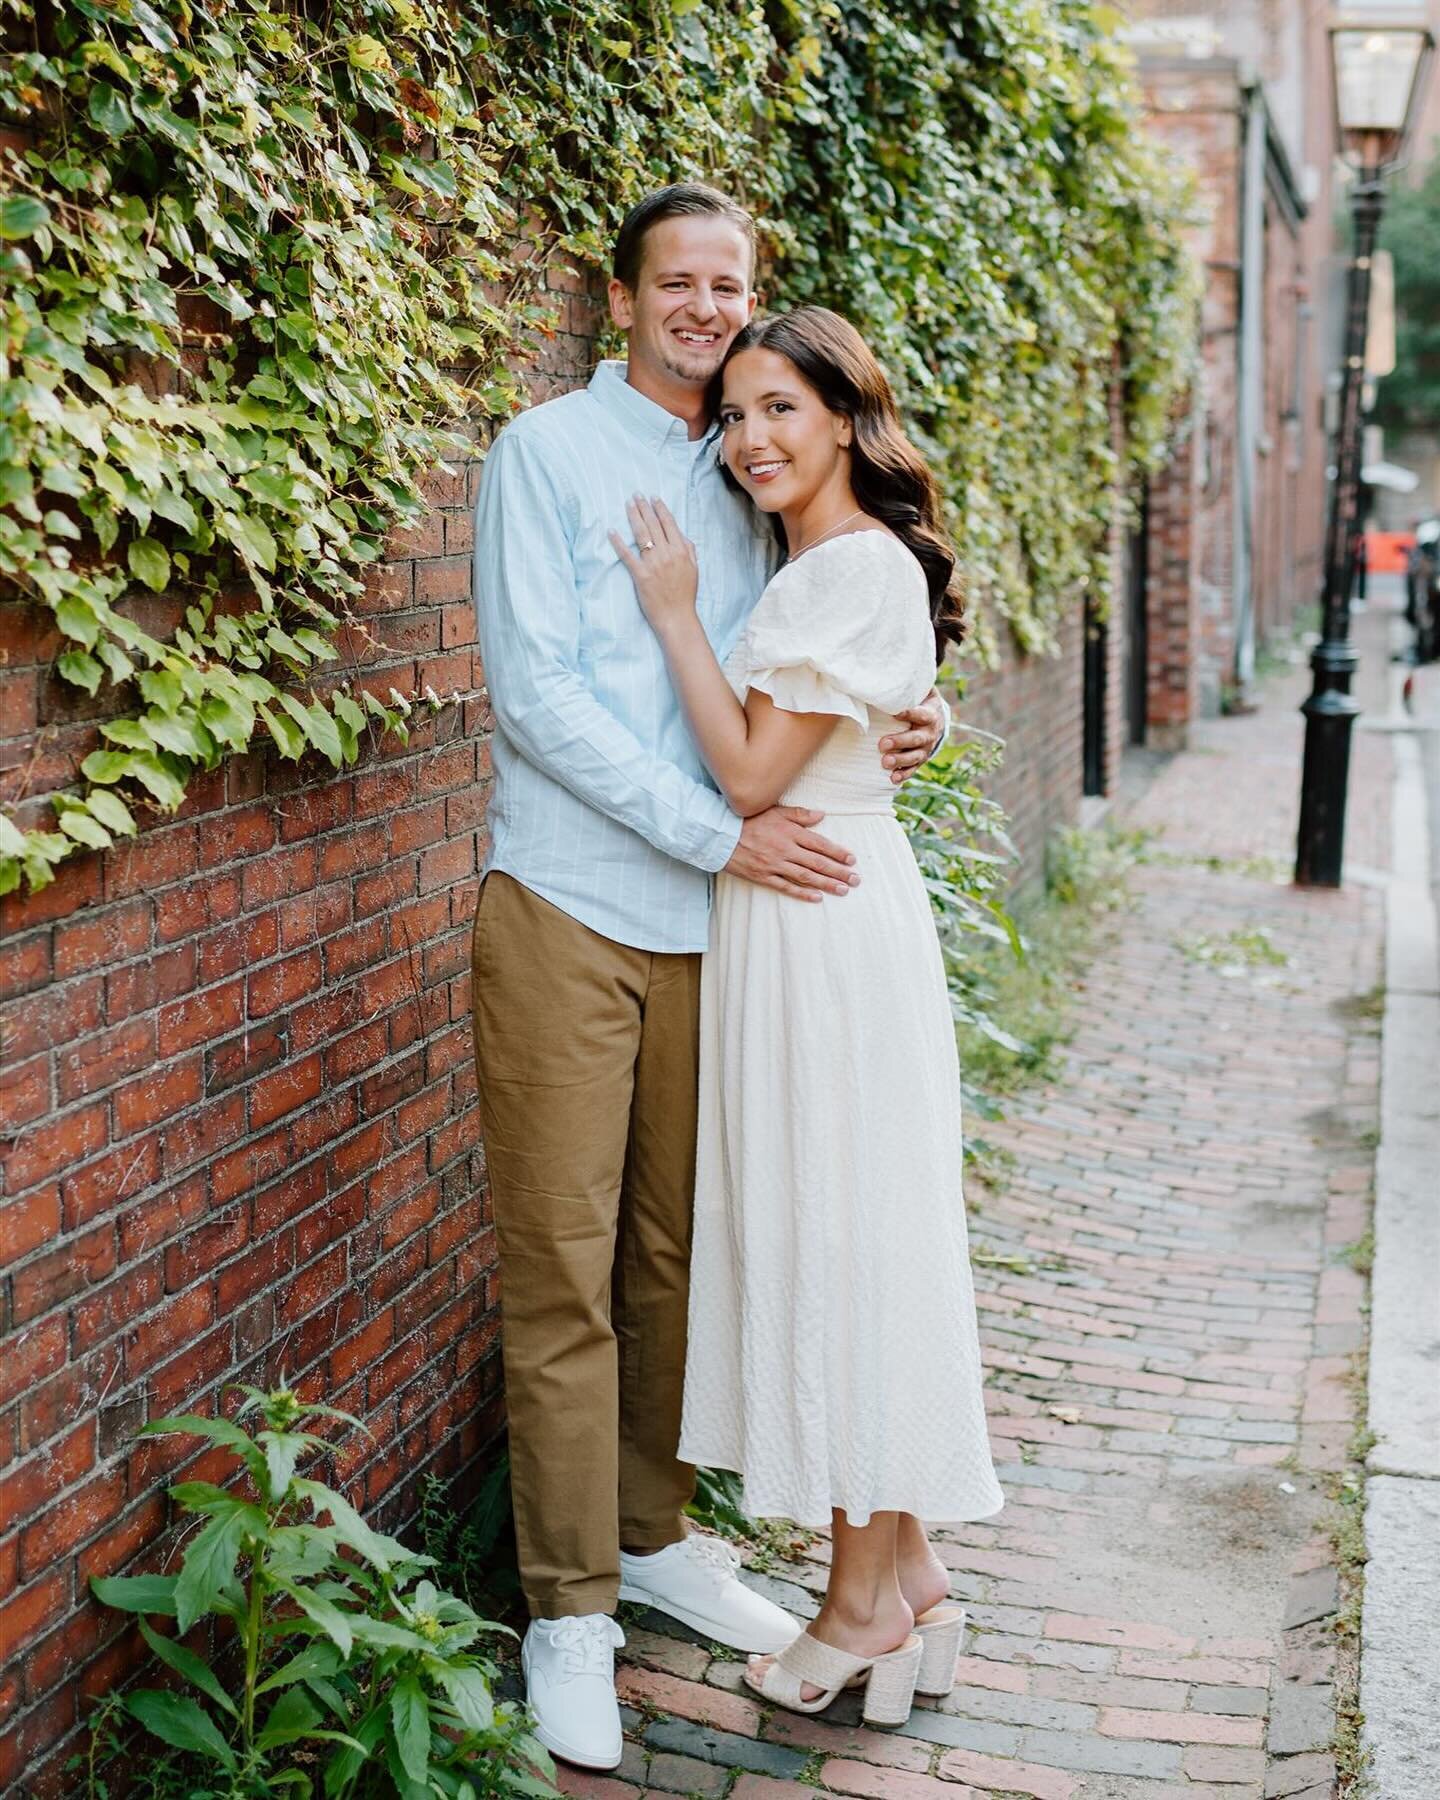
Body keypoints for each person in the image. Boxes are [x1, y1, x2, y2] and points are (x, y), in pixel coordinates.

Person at [470, 186, 948, 1771]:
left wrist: (895, 723)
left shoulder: (758, 465)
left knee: (687, 1263)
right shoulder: (546, 455)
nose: (698, 306)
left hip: (734, 939)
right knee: (563, 1261)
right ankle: (571, 1614)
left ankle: (655, 1536)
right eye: (673, 283)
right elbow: (539, 696)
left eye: (725, 284)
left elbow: (813, 660)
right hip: (579, 901)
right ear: (618, 301)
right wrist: (721, 830)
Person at [611, 305, 1004, 1727]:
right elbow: (864, 713)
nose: (754, 436)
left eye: (783, 407)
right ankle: (913, 1593)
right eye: (735, 415)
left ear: (847, 416)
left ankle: (849, 1610)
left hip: (818, 927)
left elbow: (750, 779)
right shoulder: (841, 563)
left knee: (839, 1249)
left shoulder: (843, 565)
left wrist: (668, 617)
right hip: (822, 922)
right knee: (858, 1236)